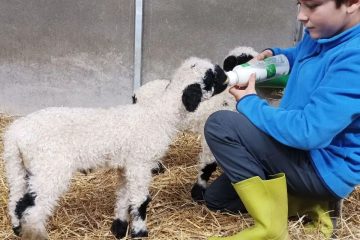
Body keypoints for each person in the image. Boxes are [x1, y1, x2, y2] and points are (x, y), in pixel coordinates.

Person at [203, 0, 360, 239]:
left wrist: (250, 103)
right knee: (216, 199)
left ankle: (272, 228)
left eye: (312, 6)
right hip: (295, 148)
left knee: (220, 124)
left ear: (352, 3)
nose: (301, 16)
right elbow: (302, 55)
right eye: (299, 4)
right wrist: (277, 56)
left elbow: (309, 131)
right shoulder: (323, 32)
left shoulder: (354, 58)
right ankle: (307, 205)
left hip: (322, 166)